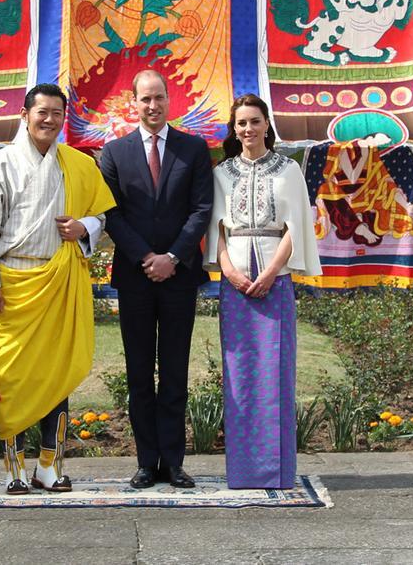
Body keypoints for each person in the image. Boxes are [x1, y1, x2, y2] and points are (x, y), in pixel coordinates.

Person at [0, 83, 116, 494]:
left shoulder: (78, 164)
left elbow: (102, 216)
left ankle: (50, 465)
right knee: (11, 377)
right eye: (42, 112)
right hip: (12, 283)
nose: (49, 120)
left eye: (57, 113)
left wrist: (86, 228)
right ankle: (14, 468)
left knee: (57, 374)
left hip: (61, 282)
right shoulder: (2, 164)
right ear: (25, 115)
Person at [99, 69, 213, 489]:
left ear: (170, 100)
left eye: (159, 98)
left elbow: (201, 209)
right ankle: (147, 462)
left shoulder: (194, 149)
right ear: (134, 103)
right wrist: (147, 257)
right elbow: (112, 214)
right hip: (135, 277)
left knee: (176, 372)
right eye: (145, 99)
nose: (152, 106)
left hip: (179, 277)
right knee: (139, 371)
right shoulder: (113, 153)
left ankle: (175, 462)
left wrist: (173, 257)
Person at [205, 94, 321, 489]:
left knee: (275, 371)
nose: (248, 129)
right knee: (240, 374)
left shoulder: (288, 170)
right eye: (241, 123)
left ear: (267, 124)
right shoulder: (222, 173)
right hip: (235, 281)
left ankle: (276, 471)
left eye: (255, 121)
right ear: (233, 129)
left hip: (276, 278)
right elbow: (216, 233)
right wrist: (230, 272)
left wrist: (272, 272)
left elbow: (296, 228)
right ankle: (244, 472)